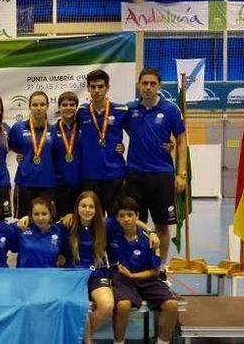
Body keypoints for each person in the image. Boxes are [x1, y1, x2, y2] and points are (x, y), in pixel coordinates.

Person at [123, 68, 188, 264]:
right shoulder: (130, 110)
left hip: (162, 176)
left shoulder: (170, 110)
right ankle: (139, 266)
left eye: (152, 84)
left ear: (159, 85)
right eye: (144, 83)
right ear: (139, 85)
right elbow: (123, 129)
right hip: (135, 175)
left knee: (162, 226)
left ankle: (160, 268)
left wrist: (182, 174)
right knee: (135, 224)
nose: (148, 87)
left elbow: (181, 140)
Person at [109, 197, 178, 344]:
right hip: (122, 279)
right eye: (121, 216)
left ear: (137, 216)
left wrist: (133, 276)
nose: (126, 219)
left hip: (147, 279)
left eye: (130, 215)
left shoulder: (150, 240)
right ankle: (118, 342)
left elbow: (154, 272)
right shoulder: (112, 234)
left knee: (172, 306)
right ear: (116, 218)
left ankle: (162, 342)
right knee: (123, 305)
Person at [77, 69, 129, 214]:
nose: (97, 90)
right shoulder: (81, 112)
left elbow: (137, 134)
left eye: (100, 86)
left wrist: (123, 146)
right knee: (92, 220)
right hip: (89, 175)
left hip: (114, 174)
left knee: (115, 218)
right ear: (88, 88)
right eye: (93, 87)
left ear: (107, 87)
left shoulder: (121, 110)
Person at [65, 191, 113, 344]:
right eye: (83, 206)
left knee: (107, 306)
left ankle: (76, 338)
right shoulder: (67, 225)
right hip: (74, 277)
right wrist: (26, 219)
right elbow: (43, 222)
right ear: (77, 207)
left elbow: (131, 221)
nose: (87, 210)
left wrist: (150, 232)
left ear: (97, 209)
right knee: (81, 308)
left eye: (91, 206)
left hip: (97, 274)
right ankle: (88, 341)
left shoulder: (105, 225)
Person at [9, 91, 56, 218]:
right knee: (23, 222)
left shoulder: (54, 130)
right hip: (25, 182)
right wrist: (21, 155)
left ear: (47, 106)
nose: (39, 108)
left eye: (42, 104)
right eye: (35, 105)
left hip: (47, 183)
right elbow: (10, 146)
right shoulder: (18, 128)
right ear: (29, 106)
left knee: (47, 222)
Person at [13, 197, 68, 268]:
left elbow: (66, 255)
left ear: (51, 214)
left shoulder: (59, 232)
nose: (40, 218)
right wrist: (16, 224)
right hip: (25, 277)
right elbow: (5, 230)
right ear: (31, 215)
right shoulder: (22, 229)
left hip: (49, 277)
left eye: (44, 214)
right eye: (36, 214)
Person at [52, 91, 81, 218]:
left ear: (76, 107)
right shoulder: (51, 130)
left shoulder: (84, 127)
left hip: (82, 183)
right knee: (62, 222)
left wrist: (119, 146)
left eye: (72, 104)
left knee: (80, 223)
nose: (68, 108)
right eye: (64, 105)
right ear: (59, 107)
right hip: (60, 185)